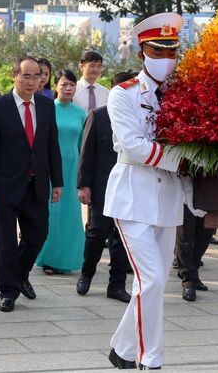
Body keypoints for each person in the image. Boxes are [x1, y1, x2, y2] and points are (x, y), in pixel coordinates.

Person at [104, 13, 185, 370]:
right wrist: (184, 158)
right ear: (141, 53)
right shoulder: (122, 95)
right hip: (133, 195)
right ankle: (150, 359)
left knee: (155, 283)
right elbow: (134, 147)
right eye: (158, 51)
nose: (166, 58)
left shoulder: (184, 95)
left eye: (172, 52)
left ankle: (122, 348)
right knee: (150, 279)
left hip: (168, 198)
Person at [0, 56, 63, 313]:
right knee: (5, 242)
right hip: (5, 185)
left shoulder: (47, 105)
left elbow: (51, 145)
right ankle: (8, 291)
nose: (31, 81)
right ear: (14, 76)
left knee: (38, 234)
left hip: (36, 183)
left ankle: (20, 273)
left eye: (36, 76)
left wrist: (57, 181)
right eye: (25, 76)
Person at [76, 72, 134, 303]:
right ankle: (86, 274)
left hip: (129, 187)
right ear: (112, 90)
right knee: (97, 233)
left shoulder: (137, 117)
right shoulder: (98, 116)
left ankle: (117, 284)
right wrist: (84, 185)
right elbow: (86, 153)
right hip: (102, 186)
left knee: (122, 237)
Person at [36, 70, 85, 274]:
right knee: (51, 213)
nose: (68, 88)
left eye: (72, 85)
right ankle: (48, 257)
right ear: (55, 86)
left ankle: (68, 259)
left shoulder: (80, 113)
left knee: (70, 215)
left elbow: (83, 145)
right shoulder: (47, 109)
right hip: (50, 168)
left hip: (73, 168)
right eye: (64, 84)